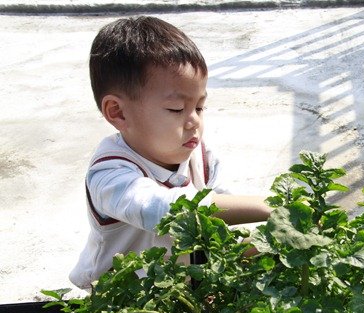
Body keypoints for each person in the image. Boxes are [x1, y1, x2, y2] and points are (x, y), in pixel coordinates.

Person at [69, 16, 270, 290]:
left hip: (182, 290)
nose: (194, 121)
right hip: (122, 305)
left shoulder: (202, 158)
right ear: (117, 112)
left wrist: (274, 236)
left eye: (199, 108)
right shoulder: (109, 173)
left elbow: (224, 217)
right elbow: (162, 210)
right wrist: (268, 206)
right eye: (176, 109)